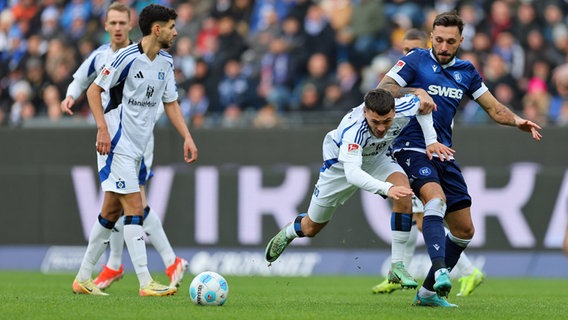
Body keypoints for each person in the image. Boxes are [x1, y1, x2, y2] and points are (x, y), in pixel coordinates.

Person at [377, 12, 542, 307]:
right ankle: (440, 270)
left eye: (450, 41)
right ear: (431, 37)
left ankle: (427, 294)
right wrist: (415, 91)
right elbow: (383, 89)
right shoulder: (415, 60)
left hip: (443, 151)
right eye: (438, 40)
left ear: (461, 41)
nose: (443, 46)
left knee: (464, 231)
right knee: (434, 201)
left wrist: (517, 121)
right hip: (411, 147)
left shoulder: (467, 71)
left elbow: (493, 108)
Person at [264, 88, 454, 286]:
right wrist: (386, 188)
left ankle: (396, 266)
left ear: (394, 112)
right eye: (375, 122)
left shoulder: (404, 106)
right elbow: (352, 174)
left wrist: (431, 140)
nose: (381, 128)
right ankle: (289, 232)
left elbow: (424, 107)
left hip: (378, 159)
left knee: (403, 194)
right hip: (339, 167)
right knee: (311, 228)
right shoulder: (353, 129)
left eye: (387, 121)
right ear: (365, 113)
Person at [72, 3, 198, 296]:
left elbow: (171, 103)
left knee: (110, 211)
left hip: (138, 147)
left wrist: (187, 137)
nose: (176, 32)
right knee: (135, 207)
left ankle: (82, 278)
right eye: (171, 27)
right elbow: (93, 91)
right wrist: (103, 129)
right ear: (157, 29)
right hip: (116, 143)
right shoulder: (125, 58)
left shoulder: (165, 62)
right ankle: (145, 282)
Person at [372, 28, 486, 297]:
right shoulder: (404, 83)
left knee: (424, 216)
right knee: (409, 209)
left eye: (414, 50)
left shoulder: (433, 82)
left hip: (425, 152)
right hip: (404, 150)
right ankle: (400, 269)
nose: (410, 55)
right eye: (405, 51)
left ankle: (464, 271)